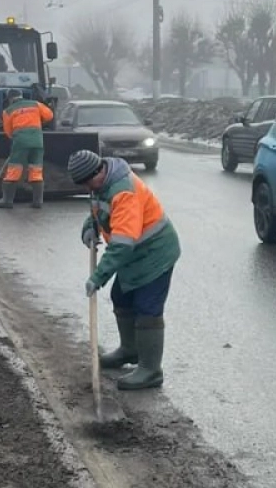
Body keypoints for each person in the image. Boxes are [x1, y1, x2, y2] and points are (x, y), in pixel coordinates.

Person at [68, 149, 180, 391]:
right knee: (122, 297)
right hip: (135, 254)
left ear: (99, 171)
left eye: (88, 182)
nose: (88, 188)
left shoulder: (124, 192)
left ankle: (151, 370)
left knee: (147, 308)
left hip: (154, 253)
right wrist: (91, 226)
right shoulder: (100, 184)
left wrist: (98, 277)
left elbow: (121, 245)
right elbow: (98, 210)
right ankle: (130, 350)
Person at [0, 89, 54, 209]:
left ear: (10, 99)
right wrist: (39, 121)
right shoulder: (35, 104)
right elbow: (49, 115)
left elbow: (8, 132)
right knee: (36, 170)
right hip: (37, 141)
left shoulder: (8, 111)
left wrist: (17, 137)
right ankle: (37, 201)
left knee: (14, 170)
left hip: (20, 142)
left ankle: (7, 200)